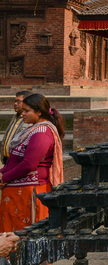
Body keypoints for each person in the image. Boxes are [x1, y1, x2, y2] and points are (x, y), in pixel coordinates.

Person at [0, 93, 65, 232]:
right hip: (18, 193)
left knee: (23, 237)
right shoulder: (32, 130)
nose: (22, 114)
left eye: (26, 111)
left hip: (30, 192)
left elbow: (29, 164)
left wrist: (4, 178)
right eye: (22, 110)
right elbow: (14, 160)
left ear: (39, 111)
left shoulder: (42, 133)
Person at [0, 91, 30, 164]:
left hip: (17, 162)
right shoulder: (15, 117)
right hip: (7, 159)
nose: (15, 104)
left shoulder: (29, 121)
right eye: (15, 101)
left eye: (18, 101)